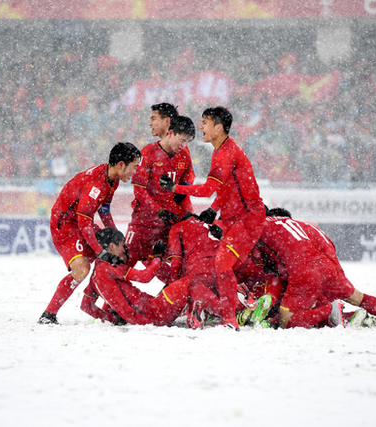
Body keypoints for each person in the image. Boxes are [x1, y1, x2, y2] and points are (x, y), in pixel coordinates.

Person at [160, 106, 265, 328]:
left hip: (247, 219)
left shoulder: (225, 154)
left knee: (223, 264)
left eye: (205, 123)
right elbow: (225, 188)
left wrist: (175, 188)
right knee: (227, 266)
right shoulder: (220, 150)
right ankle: (239, 308)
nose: (200, 127)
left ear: (218, 127)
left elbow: (208, 189)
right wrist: (215, 208)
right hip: (233, 218)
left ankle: (231, 317)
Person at [38, 142, 141, 324]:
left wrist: (117, 239)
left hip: (80, 222)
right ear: (120, 165)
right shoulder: (96, 184)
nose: (135, 172)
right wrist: (100, 251)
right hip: (65, 225)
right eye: (134, 167)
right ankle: (49, 314)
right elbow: (84, 222)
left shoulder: (112, 179)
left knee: (116, 252)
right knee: (82, 268)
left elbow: (104, 211)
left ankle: (109, 309)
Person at [266, 208, 376, 330]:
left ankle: (330, 311)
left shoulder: (282, 229)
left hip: (312, 268)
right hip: (329, 266)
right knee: (357, 297)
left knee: (293, 317)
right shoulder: (303, 227)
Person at [125, 107, 196, 267]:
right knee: (123, 263)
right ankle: (95, 290)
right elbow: (139, 190)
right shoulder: (148, 153)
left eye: (187, 142)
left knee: (180, 267)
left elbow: (185, 189)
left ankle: (175, 290)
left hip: (171, 219)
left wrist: (189, 212)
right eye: (182, 140)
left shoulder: (184, 154)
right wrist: (158, 210)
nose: (183, 145)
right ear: (171, 133)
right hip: (144, 220)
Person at [82, 228, 191, 326]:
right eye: (121, 244)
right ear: (112, 246)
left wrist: (113, 318)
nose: (124, 250)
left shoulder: (95, 274)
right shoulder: (111, 266)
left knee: (174, 286)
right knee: (191, 279)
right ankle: (197, 313)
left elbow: (86, 305)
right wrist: (157, 257)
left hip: (147, 314)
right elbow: (145, 277)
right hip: (151, 314)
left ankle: (193, 311)